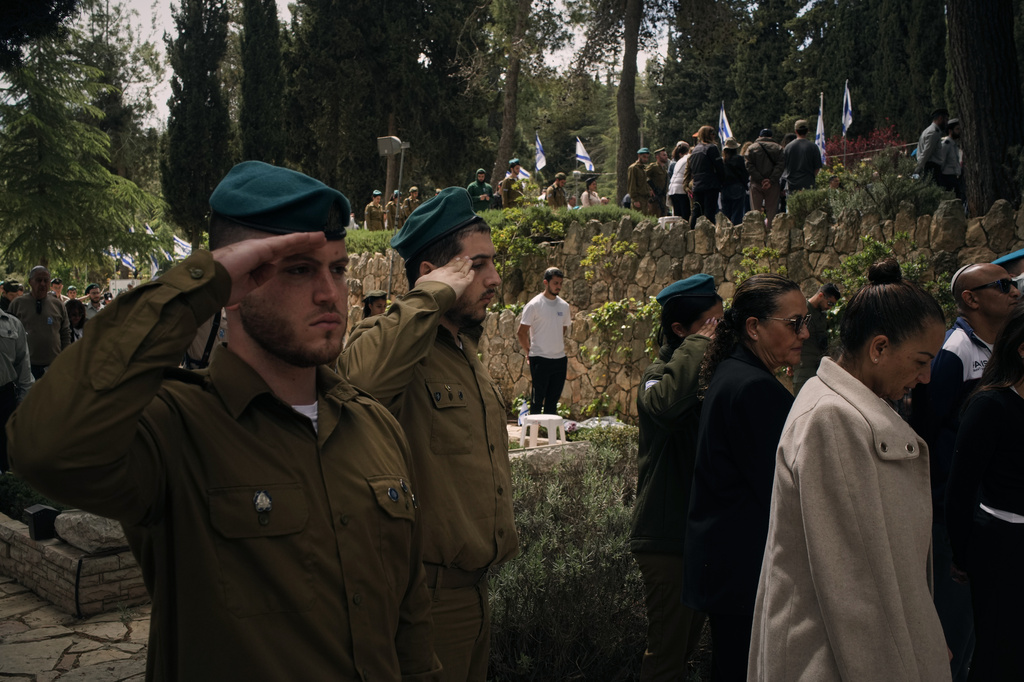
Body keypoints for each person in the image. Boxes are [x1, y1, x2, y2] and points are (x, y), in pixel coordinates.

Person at [8, 160, 442, 681]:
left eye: (338, 268)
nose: (331, 293)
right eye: (300, 269)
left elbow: (411, 627)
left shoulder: (375, 428)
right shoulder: (172, 428)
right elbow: (44, 447)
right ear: (237, 282)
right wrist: (199, 284)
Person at [341, 187, 519, 682]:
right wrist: (431, 296)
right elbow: (362, 383)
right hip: (427, 602)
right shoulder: (393, 347)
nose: (495, 278)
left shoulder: (462, 349)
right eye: (477, 265)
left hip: (474, 594)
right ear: (432, 276)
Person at [749, 258, 950, 681]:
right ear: (879, 348)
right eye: (919, 361)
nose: (926, 377)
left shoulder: (839, 406)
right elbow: (856, 589)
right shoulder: (833, 419)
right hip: (834, 661)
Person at [682, 273, 808, 682]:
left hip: (729, 570)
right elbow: (781, 491)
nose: (804, 333)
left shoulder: (739, 374)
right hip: (744, 573)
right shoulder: (753, 388)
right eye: (793, 323)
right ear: (753, 327)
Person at [910, 262, 1019, 681]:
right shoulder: (956, 351)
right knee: (954, 619)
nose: (1013, 291)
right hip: (953, 506)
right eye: (1002, 285)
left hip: (989, 507)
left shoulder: (1000, 346)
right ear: (970, 299)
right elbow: (928, 427)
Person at [631, 274, 722, 681]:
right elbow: (664, 406)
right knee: (666, 658)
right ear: (680, 331)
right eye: (710, 326)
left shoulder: (709, 374)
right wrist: (701, 345)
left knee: (684, 652)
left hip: (700, 535)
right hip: (666, 540)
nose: (719, 333)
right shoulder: (659, 372)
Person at [947, 304, 1024, 680]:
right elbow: (960, 490)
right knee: (1001, 653)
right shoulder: (991, 405)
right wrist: (963, 555)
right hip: (1005, 545)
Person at [516, 267, 571, 416]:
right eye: (555, 283)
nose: (558, 286)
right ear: (545, 283)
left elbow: (562, 330)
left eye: (560, 283)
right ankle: (532, 436)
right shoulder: (534, 305)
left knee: (553, 402)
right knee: (537, 400)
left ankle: (549, 437)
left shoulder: (564, 306)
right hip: (539, 358)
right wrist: (529, 351)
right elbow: (521, 332)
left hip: (559, 359)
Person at [9, 265, 70, 379]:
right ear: (30, 282)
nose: (42, 284)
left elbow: (65, 333)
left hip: (53, 366)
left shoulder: (58, 305)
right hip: (25, 367)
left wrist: (65, 359)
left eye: (45, 280)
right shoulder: (18, 304)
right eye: (38, 280)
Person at [0, 302, 33, 473]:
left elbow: (23, 365)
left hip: (4, 396)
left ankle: (6, 492)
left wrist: (23, 398)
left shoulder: (12, 324)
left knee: (6, 452)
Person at [793, 283, 841, 395]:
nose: (830, 307)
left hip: (819, 368)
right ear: (820, 295)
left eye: (833, 305)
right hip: (804, 367)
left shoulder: (822, 316)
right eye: (829, 303)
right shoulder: (802, 311)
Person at [686, 126, 725, 229]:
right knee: (709, 212)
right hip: (710, 184)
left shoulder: (695, 150)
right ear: (708, 135)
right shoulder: (711, 148)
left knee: (696, 211)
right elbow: (719, 166)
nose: (714, 135)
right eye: (712, 133)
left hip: (697, 184)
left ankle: (692, 233)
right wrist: (722, 181)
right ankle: (709, 236)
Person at [745, 129, 785, 228]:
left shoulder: (751, 148)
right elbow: (780, 166)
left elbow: (749, 166)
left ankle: (756, 233)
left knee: (755, 212)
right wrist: (770, 180)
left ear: (759, 136)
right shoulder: (779, 148)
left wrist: (760, 179)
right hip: (773, 184)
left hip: (756, 183)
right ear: (771, 137)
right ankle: (770, 234)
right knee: (772, 211)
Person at [782, 119, 822, 193]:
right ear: (807, 131)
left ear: (796, 131)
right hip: (808, 184)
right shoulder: (813, 147)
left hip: (792, 185)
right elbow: (817, 168)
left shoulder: (788, 147)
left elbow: (783, 166)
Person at [720, 138, 748, 225]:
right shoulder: (739, 159)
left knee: (726, 213)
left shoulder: (722, 161)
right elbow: (744, 174)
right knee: (737, 213)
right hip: (738, 187)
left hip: (725, 188)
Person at [916, 108, 949, 180]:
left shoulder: (928, 130)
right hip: (931, 168)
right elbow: (926, 152)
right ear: (940, 118)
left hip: (930, 167)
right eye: (946, 120)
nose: (946, 123)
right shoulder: (933, 133)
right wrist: (918, 169)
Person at [938, 118, 964, 203]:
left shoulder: (954, 144)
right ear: (950, 131)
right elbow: (941, 161)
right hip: (948, 177)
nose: (959, 131)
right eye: (957, 129)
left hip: (955, 177)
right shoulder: (946, 144)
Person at [667, 142, 691, 220]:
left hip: (672, 190)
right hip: (681, 189)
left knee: (677, 215)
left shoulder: (679, 161)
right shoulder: (688, 158)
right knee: (685, 215)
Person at [628, 148, 653, 215]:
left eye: (647, 157)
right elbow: (631, 184)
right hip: (638, 198)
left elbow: (645, 183)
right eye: (644, 157)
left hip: (645, 198)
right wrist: (635, 199)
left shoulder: (643, 169)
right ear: (639, 156)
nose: (646, 159)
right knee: (638, 219)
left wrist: (649, 190)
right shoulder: (633, 168)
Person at [646, 147, 669, 217]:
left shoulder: (664, 168)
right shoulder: (653, 167)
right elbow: (642, 177)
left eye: (666, 155)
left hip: (662, 197)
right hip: (655, 197)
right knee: (655, 215)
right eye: (664, 155)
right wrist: (649, 189)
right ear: (657, 157)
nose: (666, 157)